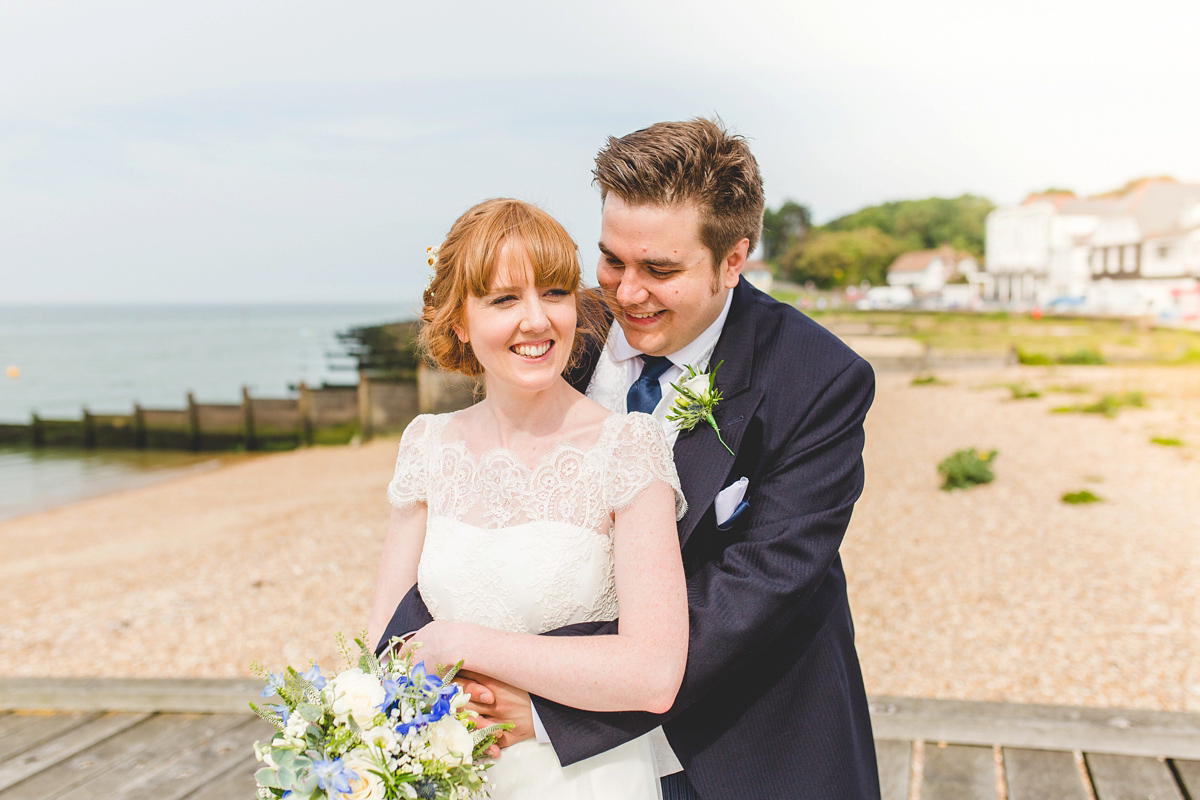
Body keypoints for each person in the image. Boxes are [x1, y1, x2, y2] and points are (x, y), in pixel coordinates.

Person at [379, 118, 881, 799]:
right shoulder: (554, 328)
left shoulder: (817, 378)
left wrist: (556, 710)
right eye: (613, 259)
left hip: (745, 744)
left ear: (734, 259)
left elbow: (758, 587)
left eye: (661, 270)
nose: (627, 292)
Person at [366, 197, 689, 800]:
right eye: (504, 299)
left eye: (556, 293)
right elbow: (383, 653)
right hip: (449, 774)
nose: (537, 320)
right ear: (459, 320)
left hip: (587, 779)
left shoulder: (628, 446)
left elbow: (653, 673)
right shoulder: (427, 447)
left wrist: (459, 645)